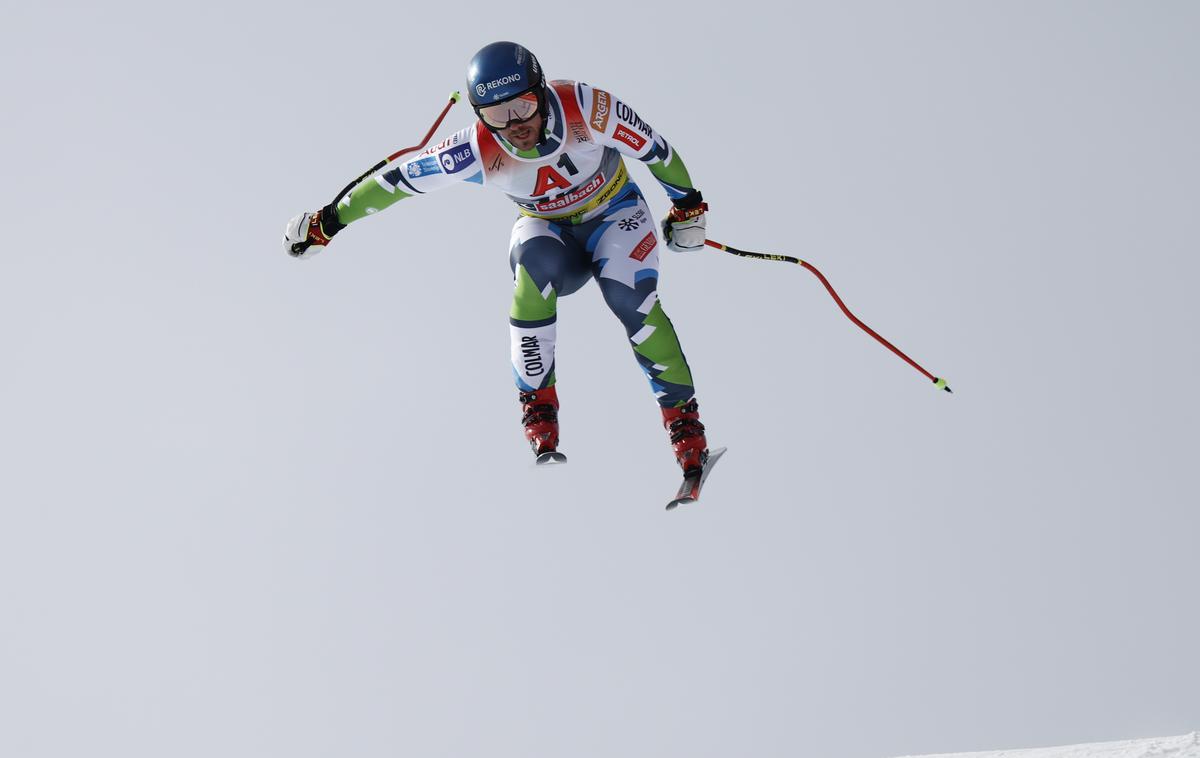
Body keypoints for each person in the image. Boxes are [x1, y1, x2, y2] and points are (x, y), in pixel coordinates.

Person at [284, 41, 712, 475]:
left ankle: (684, 422)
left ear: (542, 92)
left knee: (630, 297)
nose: (516, 125)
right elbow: (399, 181)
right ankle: (538, 407)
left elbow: (656, 150)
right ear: (479, 114)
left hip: (616, 216)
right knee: (532, 276)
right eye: (496, 115)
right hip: (550, 229)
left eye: (524, 106)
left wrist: (688, 206)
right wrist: (330, 221)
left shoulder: (586, 107)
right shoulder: (475, 148)